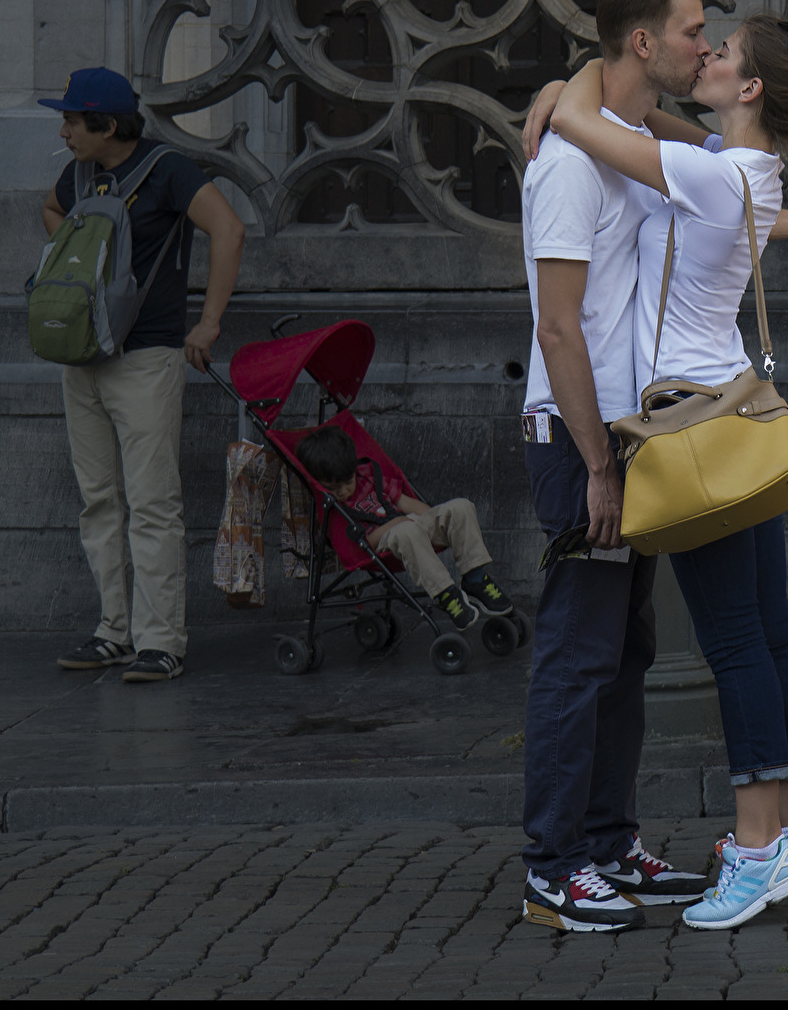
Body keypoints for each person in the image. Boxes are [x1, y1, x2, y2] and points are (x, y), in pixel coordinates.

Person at [517, 0, 788, 934]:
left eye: (718, 47)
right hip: (726, 416)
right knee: (764, 632)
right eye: (693, 33)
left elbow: (601, 130)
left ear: (750, 87)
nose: (704, 48)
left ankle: (756, 849)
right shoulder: (740, 170)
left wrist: (561, 91)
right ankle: (777, 832)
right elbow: (666, 147)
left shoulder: (713, 172)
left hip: (688, 426)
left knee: (728, 643)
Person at [42, 67, 247, 682]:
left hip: (147, 357)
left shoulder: (168, 169)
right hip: (84, 356)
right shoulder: (78, 174)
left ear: (106, 124)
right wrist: (84, 258)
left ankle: (162, 641)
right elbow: (51, 210)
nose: (65, 130)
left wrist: (208, 323)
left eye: (74, 120)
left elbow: (229, 230)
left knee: (153, 503)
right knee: (99, 501)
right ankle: (114, 631)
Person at [294, 425, 513, 630]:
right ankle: (446, 593)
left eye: (347, 482)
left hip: (409, 526)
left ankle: (475, 578)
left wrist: (434, 520)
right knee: (406, 531)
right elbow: (360, 545)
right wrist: (397, 523)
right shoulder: (335, 507)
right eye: (334, 487)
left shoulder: (368, 476)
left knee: (460, 507)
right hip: (382, 542)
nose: (342, 491)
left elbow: (405, 503)